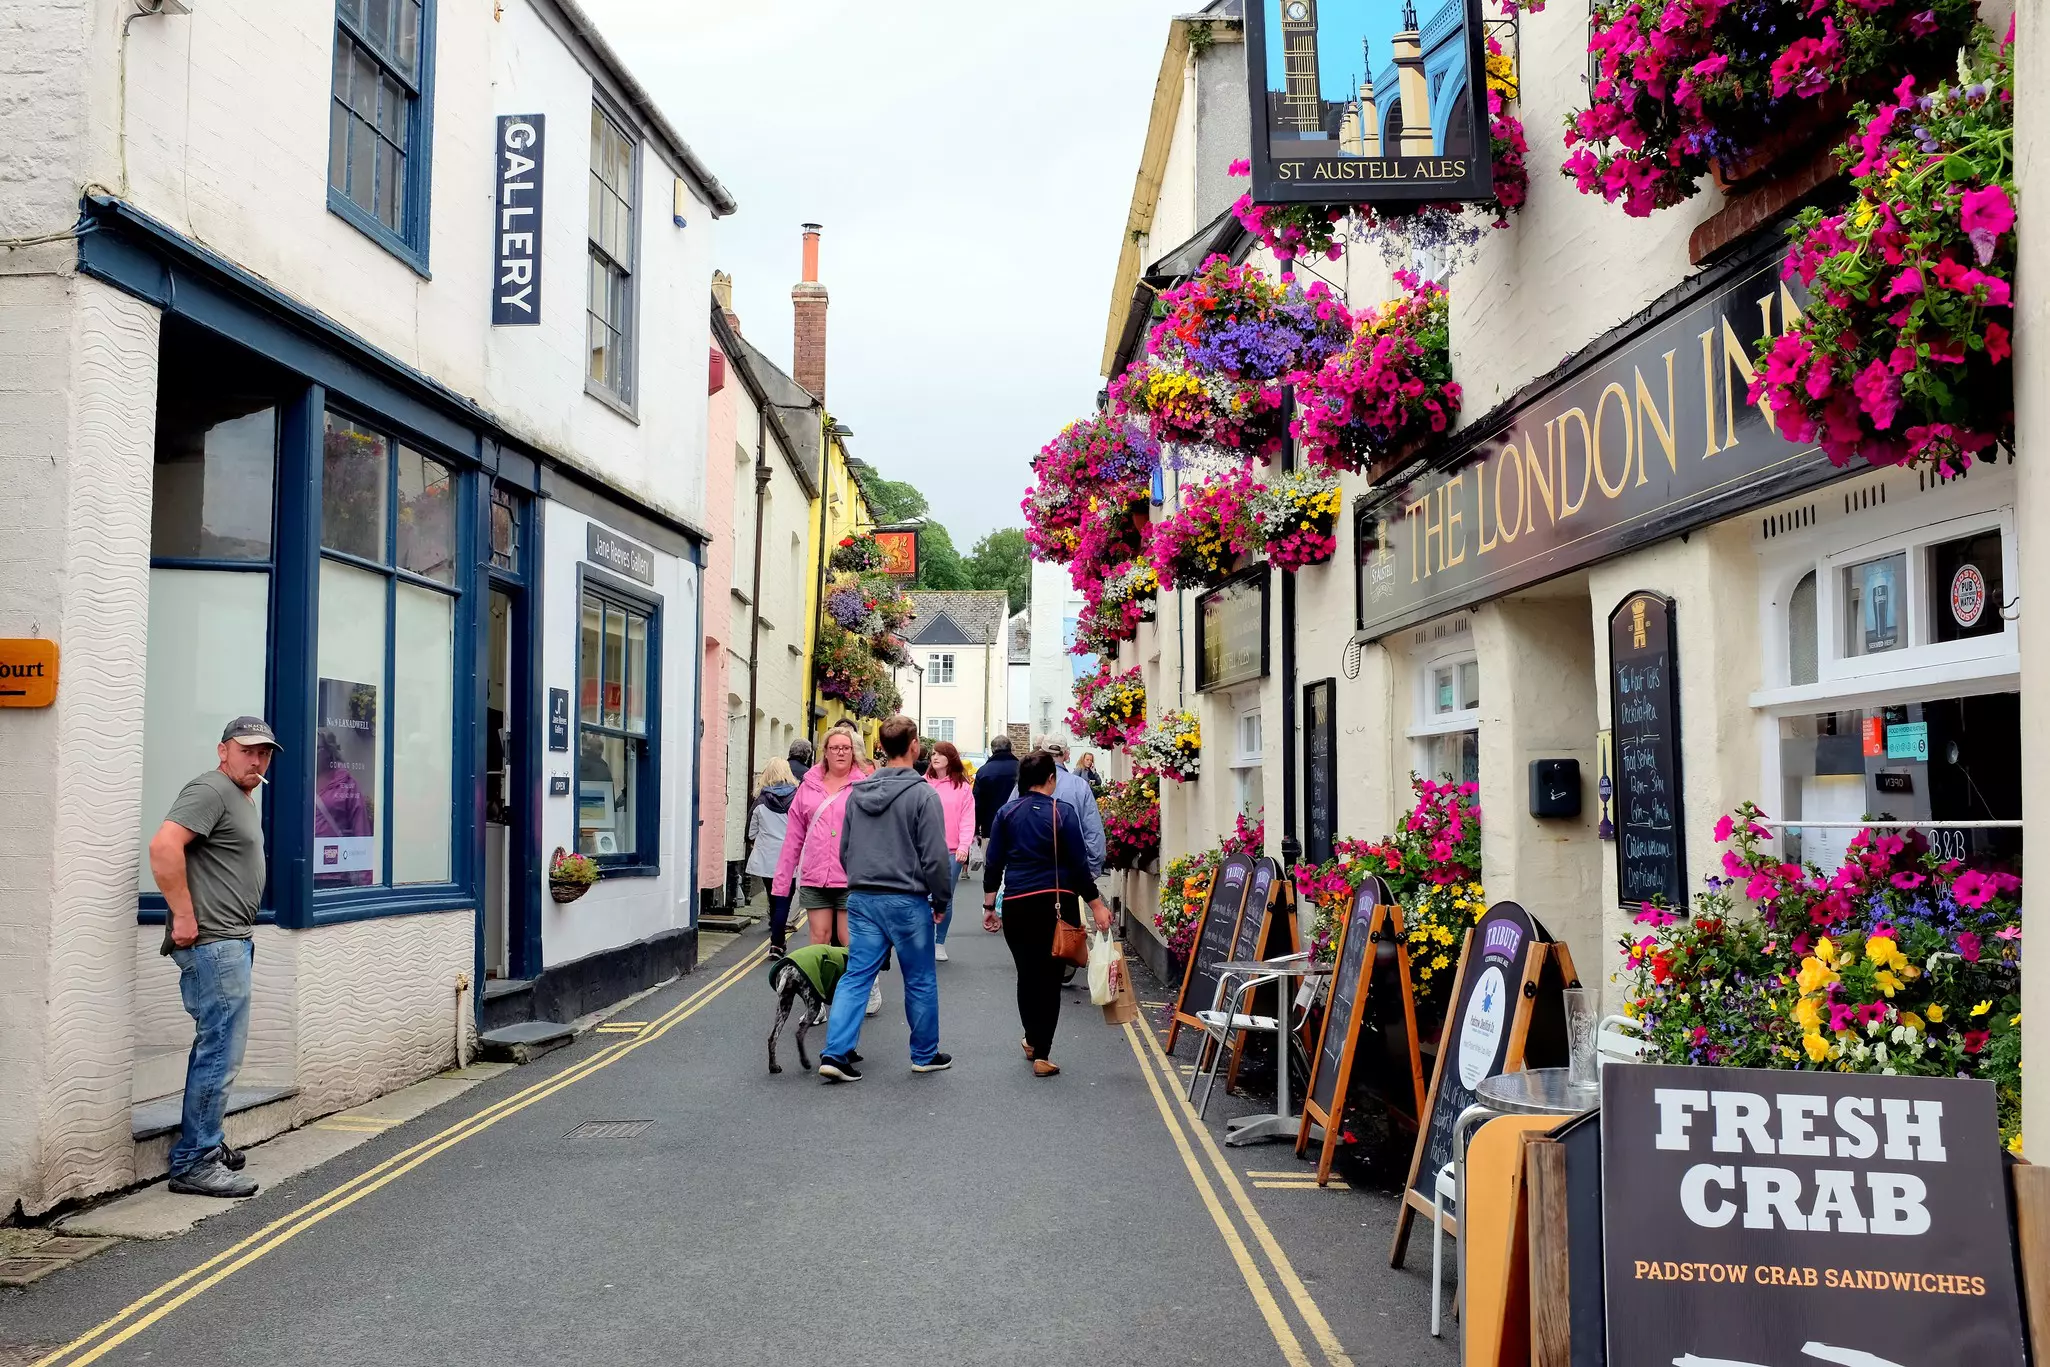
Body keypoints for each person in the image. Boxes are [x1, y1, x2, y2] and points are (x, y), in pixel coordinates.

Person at [145, 716, 280, 1198]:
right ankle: (194, 1160)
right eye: (248, 750)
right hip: (214, 944)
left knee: (223, 1048)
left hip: (231, 940)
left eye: (264, 753)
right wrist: (183, 916)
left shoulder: (241, 797)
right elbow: (163, 847)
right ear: (223, 751)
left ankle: (207, 1141)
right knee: (219, 1050)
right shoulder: (211, 789)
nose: (258, 760)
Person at [818, 716, 955, 1081]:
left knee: (856, 975)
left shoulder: (857, 794)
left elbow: (845, 850)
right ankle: (924, 1054)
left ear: (880, 747)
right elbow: (935, 857)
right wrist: (941, 900)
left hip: (862, 897)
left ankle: (835, 1053)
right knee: (920, 978)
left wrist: (861, 880)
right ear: (915, 747)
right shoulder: (923, 794)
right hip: (907, 900)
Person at [982, 749, 1114, 1078]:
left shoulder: (1006, 814)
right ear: (1051, 779)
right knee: (1050, 979)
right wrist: (1096, 904)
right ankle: (1042, 1053)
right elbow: (1079, 867)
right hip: (1058, 904)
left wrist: (988, 906)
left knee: (1027, 974)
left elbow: (993, 864)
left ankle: (1030, 1037)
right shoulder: (1062, 812)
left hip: (1017, 903)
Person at [772, 730, 864, 957]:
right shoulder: (808, 786)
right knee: (819, 939)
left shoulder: (864, 786)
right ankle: (822, 991)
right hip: (816, 875)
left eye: (846, 748)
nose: (841, 752)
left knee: (848, 941)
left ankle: (849, 991)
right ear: (826, 752)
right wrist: (782, 882)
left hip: (850, 876)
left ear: (853, 752)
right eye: (835, 748)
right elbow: (794, 837)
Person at [1014, 738, 1106, 879]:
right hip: (1069, 871)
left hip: (1027, 872)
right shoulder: (1079, 785)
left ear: (1041, 753)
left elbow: (1008, 823)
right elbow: (1093, 831)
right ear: (1066, 755)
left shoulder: (1025, 783)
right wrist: (1091, 869)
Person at [923, 741, 975, 961]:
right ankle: (924, 940)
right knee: (922, 897)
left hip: (952, 851)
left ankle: (939, 942)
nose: (935, 757)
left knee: (944, 898)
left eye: (940, 754)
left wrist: (964, 846)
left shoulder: (962, 787)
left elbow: (967, 819)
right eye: (933, 754)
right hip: (923, 851)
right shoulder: (922, 784)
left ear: (950, 758)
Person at [746, 758, 800, 952]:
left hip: (767, 859)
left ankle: (777, 939)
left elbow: (751, 833)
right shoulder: (797, 799)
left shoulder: (760, 801)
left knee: (773, 897)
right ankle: (777, 942)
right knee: (784, 899)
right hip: (790, 858)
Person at [972, 734, 1018, 841]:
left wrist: (975, 830)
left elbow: (977, 803)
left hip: (990, 826)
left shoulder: (984, 771)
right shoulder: (1022, 767)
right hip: (1018, 824)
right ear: (1010, 748)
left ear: (992, 750)